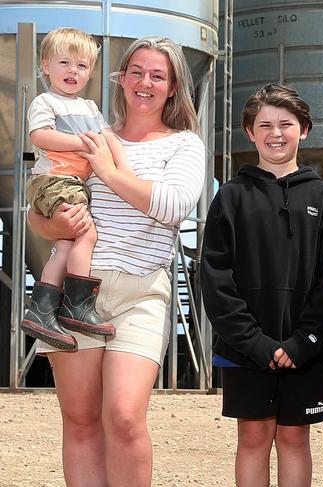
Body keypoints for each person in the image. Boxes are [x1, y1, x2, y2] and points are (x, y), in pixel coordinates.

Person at [28, 36, 205, 486]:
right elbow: (42, 214)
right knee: (82, 420)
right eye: (137, 72)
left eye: (158, 75)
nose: (145, 82)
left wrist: (108, 171)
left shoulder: (184, 144)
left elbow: (171, 206)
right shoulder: (88, 131)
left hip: (140, 291)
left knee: (124, 417)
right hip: (76, 286)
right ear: (121, 79)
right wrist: (52, 221)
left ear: (172, 87)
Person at [200, 83, 323, 487]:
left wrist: (306, 340)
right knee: (252, 436)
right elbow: (216, 277)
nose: (275, 133)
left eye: (286, 123)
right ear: (249, 132)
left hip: (306, 347)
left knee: (295, 437)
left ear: (304, 129)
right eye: (264, 124)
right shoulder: (230, 197)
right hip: (245, 347)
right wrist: (253, 342)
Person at [20, 27, 130, 350]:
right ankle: (77, 306)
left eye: (81, 66)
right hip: (54, 180)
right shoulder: (46, 101)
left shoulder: (90, 109)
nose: (73, 71)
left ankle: (42, 310)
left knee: (66, 247)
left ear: (90, 72)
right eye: (64, 62)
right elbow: (39, 136)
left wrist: (123, 169)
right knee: (88, 234)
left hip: (70, 184)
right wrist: (82, 144)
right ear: (45, 66)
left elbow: (108, 139)